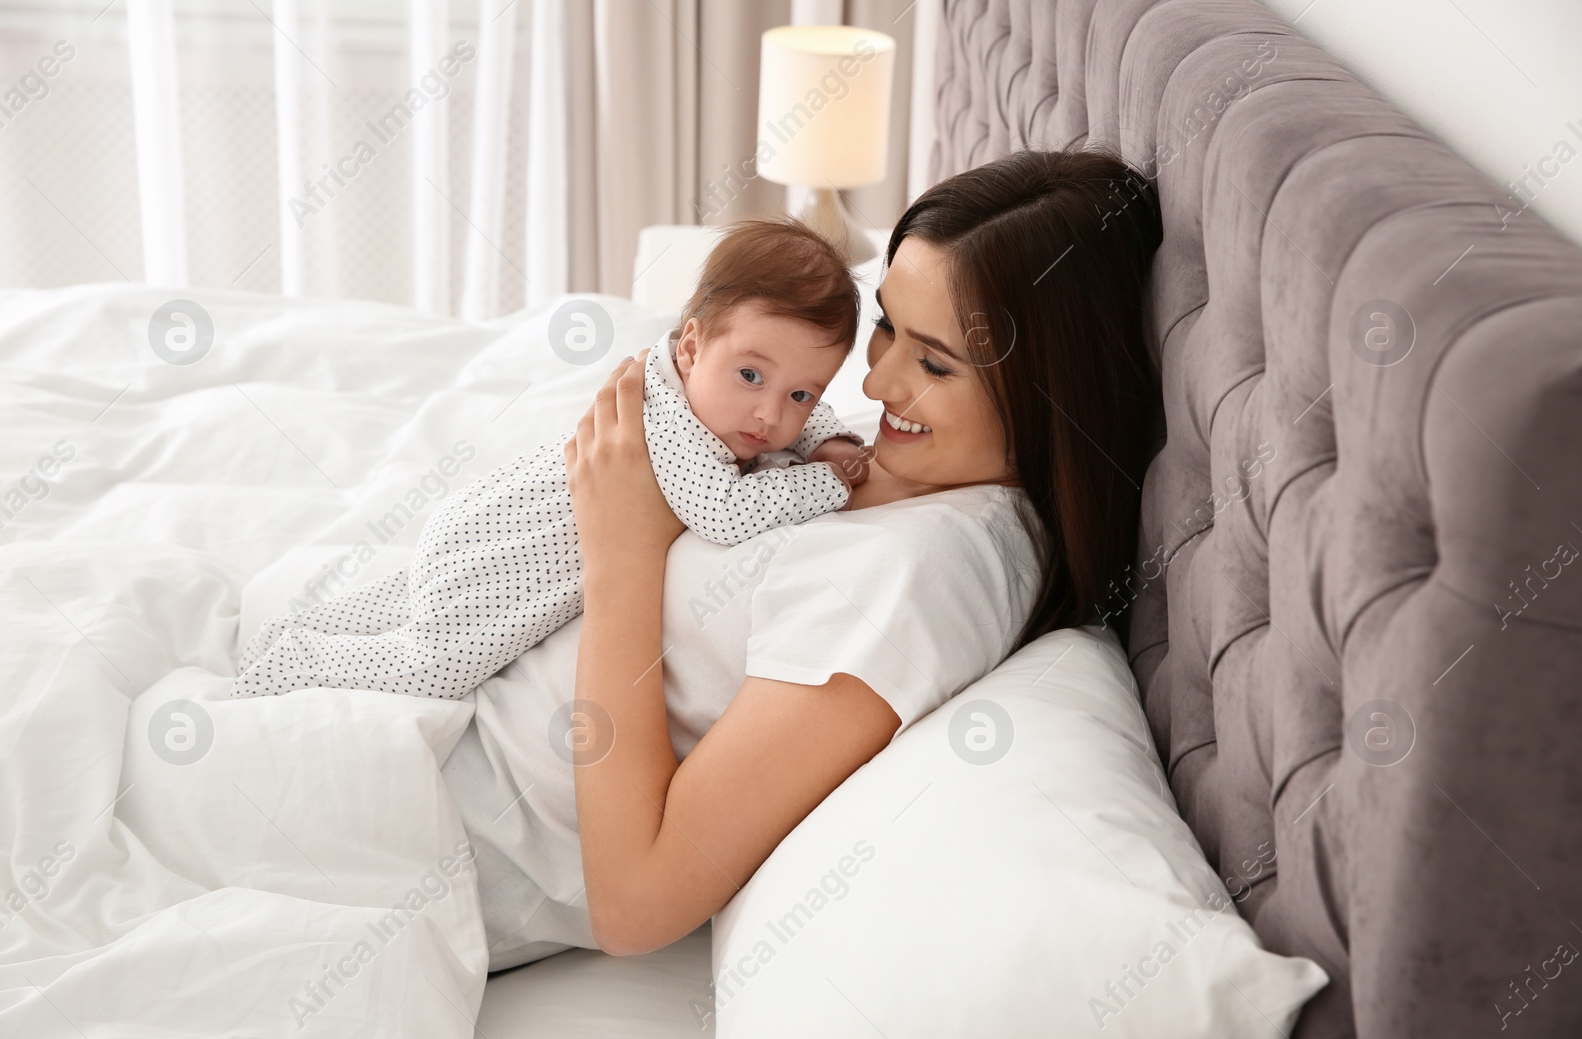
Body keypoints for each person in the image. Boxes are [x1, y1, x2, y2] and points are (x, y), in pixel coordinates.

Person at [445, 144, 1164, 968]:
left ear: (1053, 395)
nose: (882, 381)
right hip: (453, 708)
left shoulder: (923, 575)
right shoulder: (923, 465)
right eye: (888, 323)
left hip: (447, 819)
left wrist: (624, 550)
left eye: (933, 362)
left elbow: (638, 901)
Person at [228, 218, 871, 702]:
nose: (770, 416)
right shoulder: (677, 426)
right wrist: (829, 480)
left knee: (400, 603)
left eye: (801, 393)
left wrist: (827, 434)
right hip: (511, 556)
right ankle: (293, 665)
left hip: (476, 522)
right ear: (693, 346)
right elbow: (726, 514)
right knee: (434, 663)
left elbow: (797, 408)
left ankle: (294, 630)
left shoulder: (699, 385)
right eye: (751, 375)